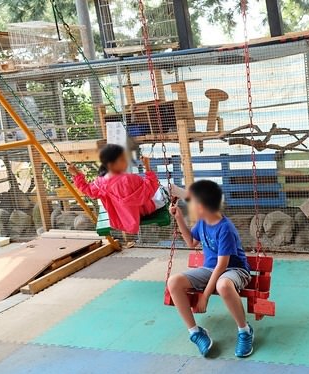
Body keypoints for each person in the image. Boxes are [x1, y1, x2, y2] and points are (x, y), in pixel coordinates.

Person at [167, 180, 254, 358]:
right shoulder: (203, 222)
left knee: (223, 285)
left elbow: (223, 265)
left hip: (235, 270)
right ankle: (195, 332)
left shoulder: (225, 228)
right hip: (210, 269)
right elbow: (191, 243)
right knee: (173, 282)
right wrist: (179, 218)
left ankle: (245, 331)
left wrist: (204, 297)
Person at [67, 144, 186, 234]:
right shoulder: (130, 179)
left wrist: (76, 174)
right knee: (169, 188)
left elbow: (86, 189)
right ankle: (190, 196)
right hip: (145, 209)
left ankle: (180, 197)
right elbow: (151, 187)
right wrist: (147, 167)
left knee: (164, 191)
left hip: (123, 215)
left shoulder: (100, 183)